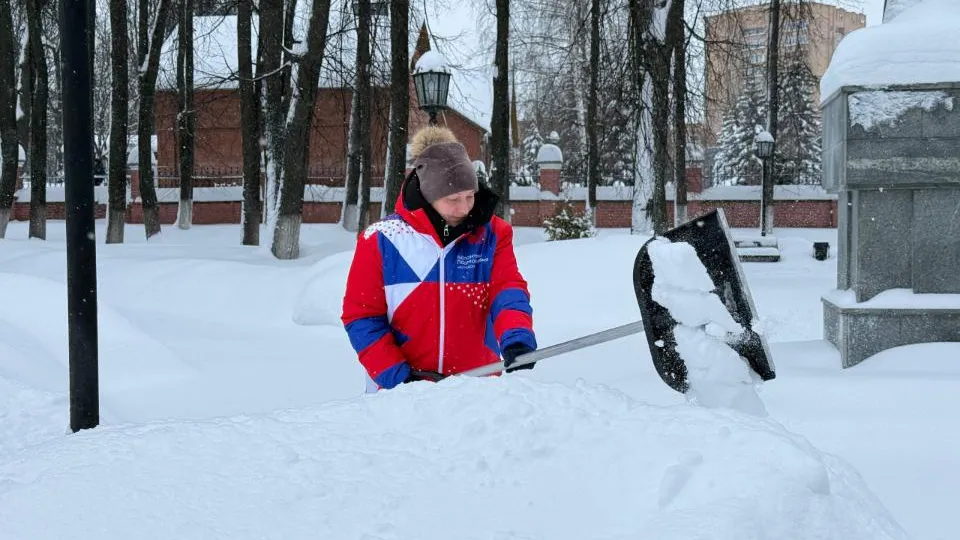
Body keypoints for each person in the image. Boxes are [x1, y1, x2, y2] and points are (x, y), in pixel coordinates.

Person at [341, 126, 537, 392]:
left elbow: (507, 290)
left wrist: (516, 337)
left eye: (470, 196)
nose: (465, 208)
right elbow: (362, 317)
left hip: (476, 388)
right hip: (398, 393)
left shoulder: (492, 234)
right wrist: (399, 379)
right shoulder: (380, 239)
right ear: (428, 195)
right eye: (453, 199)